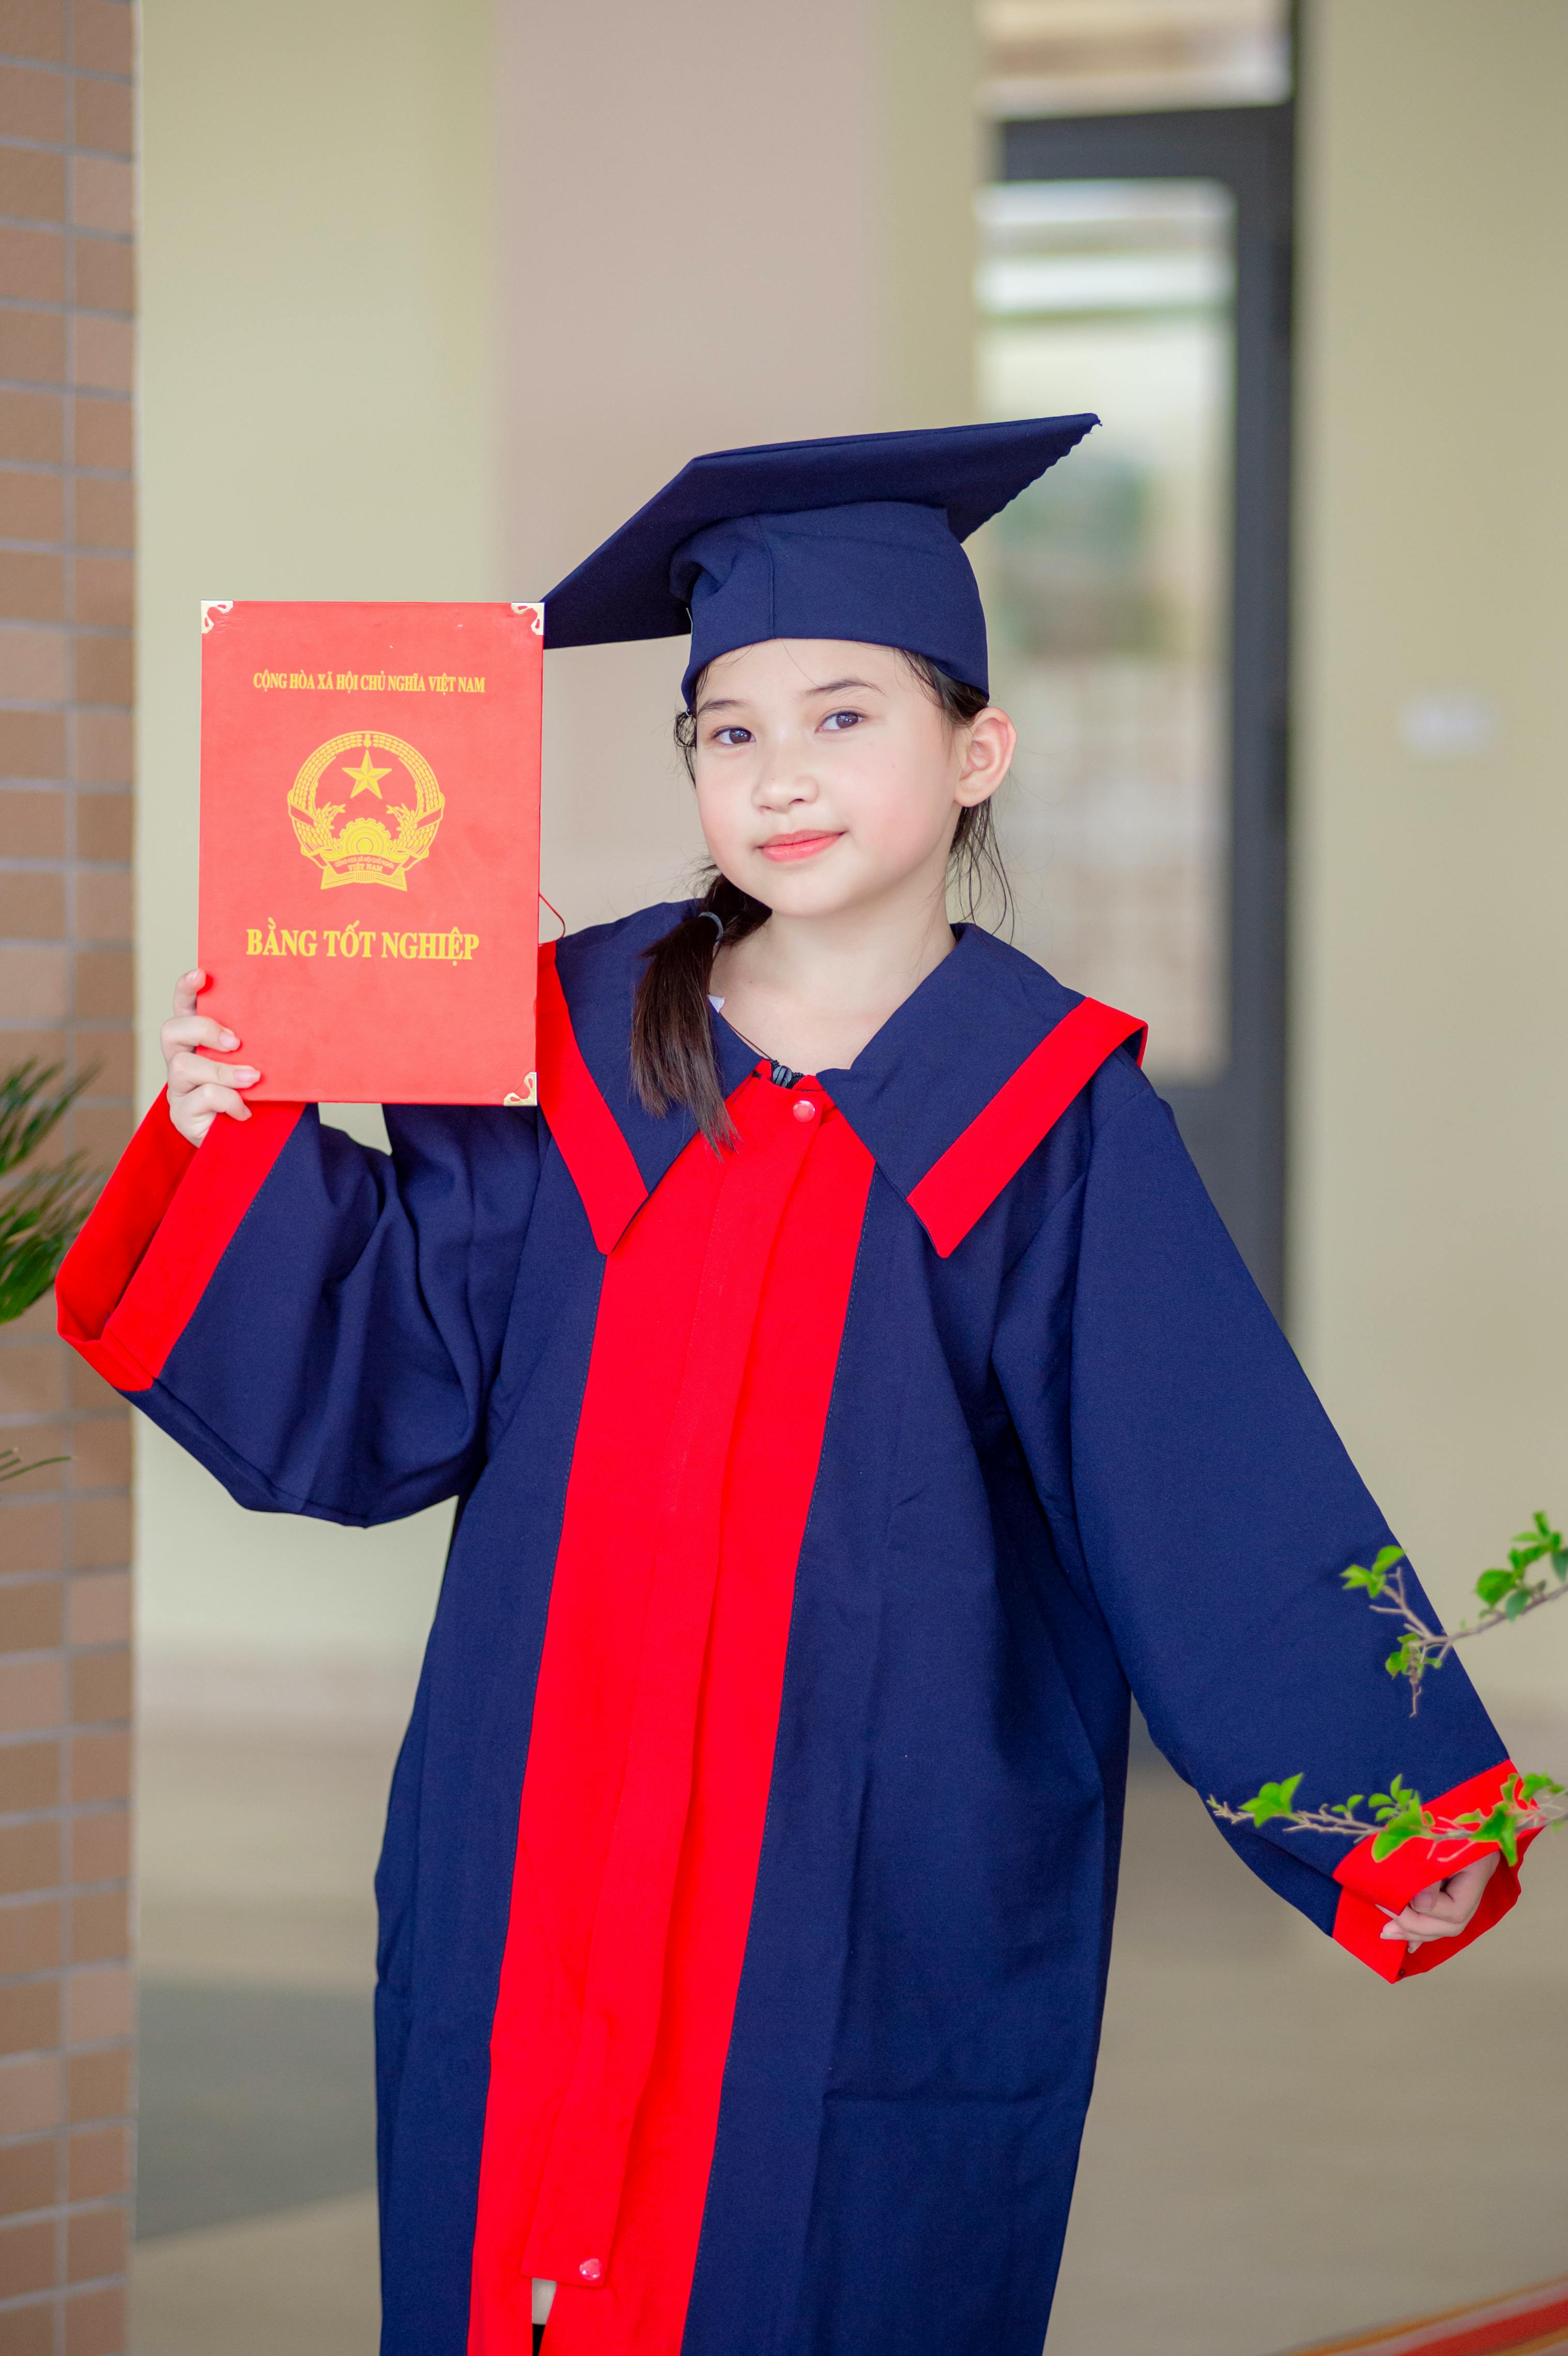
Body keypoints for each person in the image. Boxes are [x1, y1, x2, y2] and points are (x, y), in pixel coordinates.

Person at [59, 422, 1528, 2356]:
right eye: (729, 732)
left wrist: (1394, 1808)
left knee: (831, 2251)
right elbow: (388, 1380)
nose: (782, 775)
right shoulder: (561, 1044)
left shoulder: (1048, 1110)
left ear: (975, 749)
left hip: (876, 1842)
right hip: (544, 1817)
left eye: (844, 716)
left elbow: (1205, 1477)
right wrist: (241, 1132)